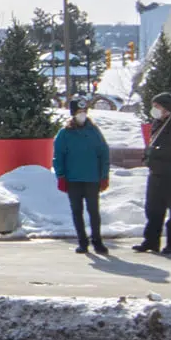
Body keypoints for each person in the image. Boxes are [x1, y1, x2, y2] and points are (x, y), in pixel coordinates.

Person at [135, 93, 171, 254]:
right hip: (156, 174)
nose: (154, 109)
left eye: (157, 106)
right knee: (153, 208)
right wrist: (148, 156)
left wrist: (155, 155)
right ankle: (151, 241)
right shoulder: (157, 124)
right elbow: (153, 146)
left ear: (166, 108)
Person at [53, 101, 111, 254]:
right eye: (79, 111)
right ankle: (82, 242)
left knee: (93, 211)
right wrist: (61, 176)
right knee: (77, 211)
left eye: (85, 111)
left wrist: (104, 175)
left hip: (92, 178)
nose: (82, 114)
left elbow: (104, 153)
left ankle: (97, 241)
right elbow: (58, 156)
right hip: (73, 179)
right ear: (73, 113)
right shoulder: (65, 133)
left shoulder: (94, 131)